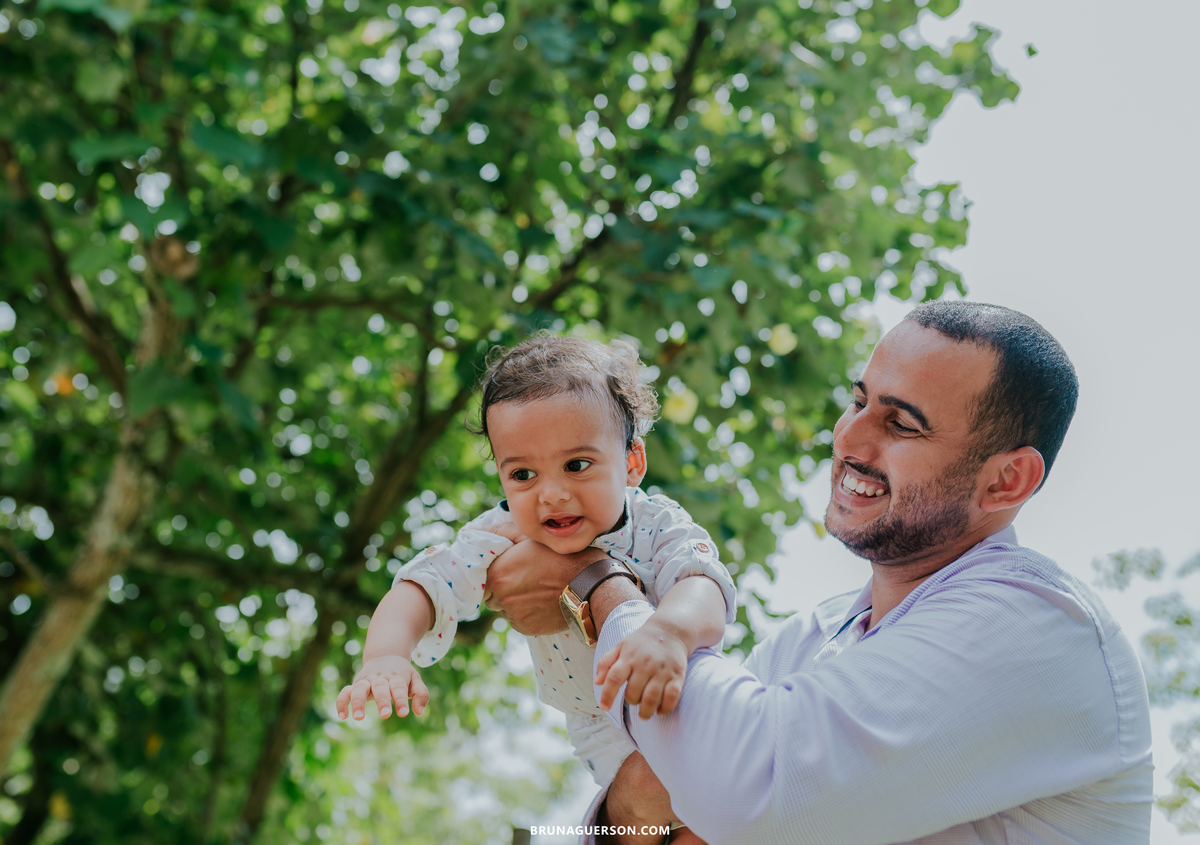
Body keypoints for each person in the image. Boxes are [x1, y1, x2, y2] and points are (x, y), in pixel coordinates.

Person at [483, 302, 1154, 844]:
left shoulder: (1035, 623)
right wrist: (645, 804)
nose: (851, 441)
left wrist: (598, 582)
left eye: (902, 425)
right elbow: (667, 801)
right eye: (859, 401)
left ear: (1007, 478)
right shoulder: (808, 638)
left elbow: (750, 794)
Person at [335, 336, 735, 839]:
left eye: (576, 465)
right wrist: (385, 657)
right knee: (659, 809)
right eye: (523, 474)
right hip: (601, 726)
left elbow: (704, 584)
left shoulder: (655, 523)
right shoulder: (499, 535)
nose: (551, 493)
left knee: (715, 809)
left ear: (632, 462)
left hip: (681, 687)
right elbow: (424, 583)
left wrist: (670, 633)